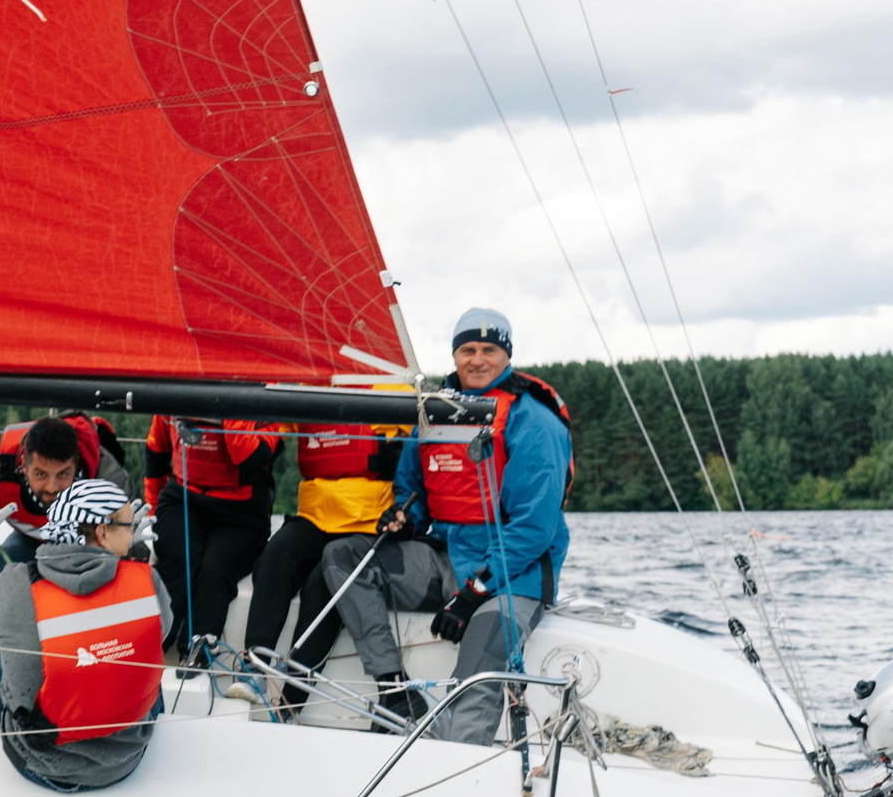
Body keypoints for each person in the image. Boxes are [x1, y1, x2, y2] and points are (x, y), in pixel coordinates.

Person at [317, 308, 573, 742]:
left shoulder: (533, 418)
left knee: (478, 656)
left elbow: (534, 527)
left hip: (516, 575)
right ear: (454, 355)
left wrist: (474, 592)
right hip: (448, 555)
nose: (477, 360)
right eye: (467, 350)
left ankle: (458, 765)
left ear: (506, 355)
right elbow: (411, 492)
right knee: (344, 557)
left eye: (489, 350)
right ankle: (395, 691)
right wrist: (403, 521)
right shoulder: (434, 412)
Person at [0, 478, 169, 791]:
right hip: (125, 759)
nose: (134, 530)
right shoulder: (148, 580)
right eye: (129, 524)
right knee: (144, 650)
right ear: (103, 532)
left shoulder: (14, 582)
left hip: (43, 764)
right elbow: (163, 632)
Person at [227, 408, 407, 715]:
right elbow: (267, 421)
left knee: (324, 584)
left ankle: (292, 699)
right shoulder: (308, 386)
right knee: (275, 556)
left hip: (365, 523)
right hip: (314, 515)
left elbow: (424, 438)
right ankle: (253, 667)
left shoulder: (392, 390)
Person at [143, 412, 281, 655]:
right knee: (181, 560)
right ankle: (154, 645)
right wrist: (153, 511)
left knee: (215, 571)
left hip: (242, 511)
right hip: (183, 498)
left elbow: (249, 458)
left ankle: (197, 648)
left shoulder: (263, 401)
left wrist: (230, 407)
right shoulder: (175, 393)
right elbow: (156, 454)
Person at [0, 413, 130, 584]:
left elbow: (129, 549)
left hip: (88, 545)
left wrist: (123, 541)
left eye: (63, 473)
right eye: (41, 474)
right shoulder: (1, 473)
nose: (51, 487)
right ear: (24, 466)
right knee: (1, 567)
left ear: (77, 464)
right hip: (33, 541)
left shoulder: (108, 481)